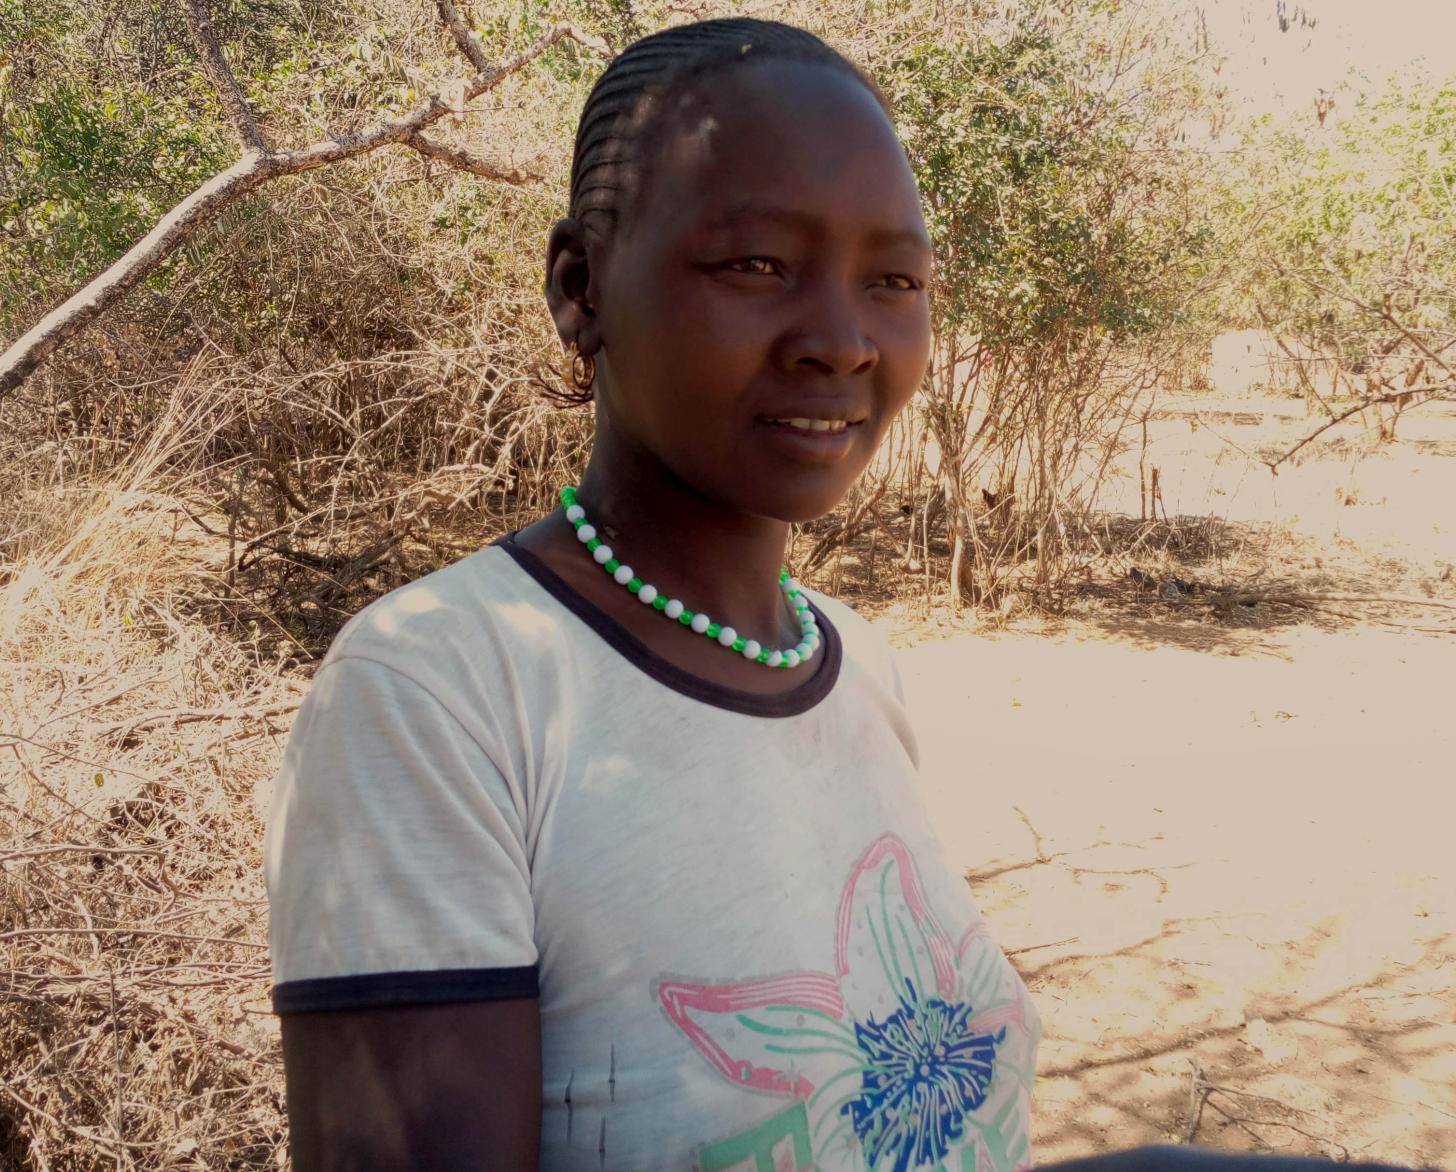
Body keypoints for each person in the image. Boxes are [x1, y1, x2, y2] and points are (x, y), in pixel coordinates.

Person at [264, 18, 1412, 1172]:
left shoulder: (855, 667)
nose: (841, 340)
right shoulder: (437, 693)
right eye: (756, 264)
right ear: (580, 285)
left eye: (893, 280)